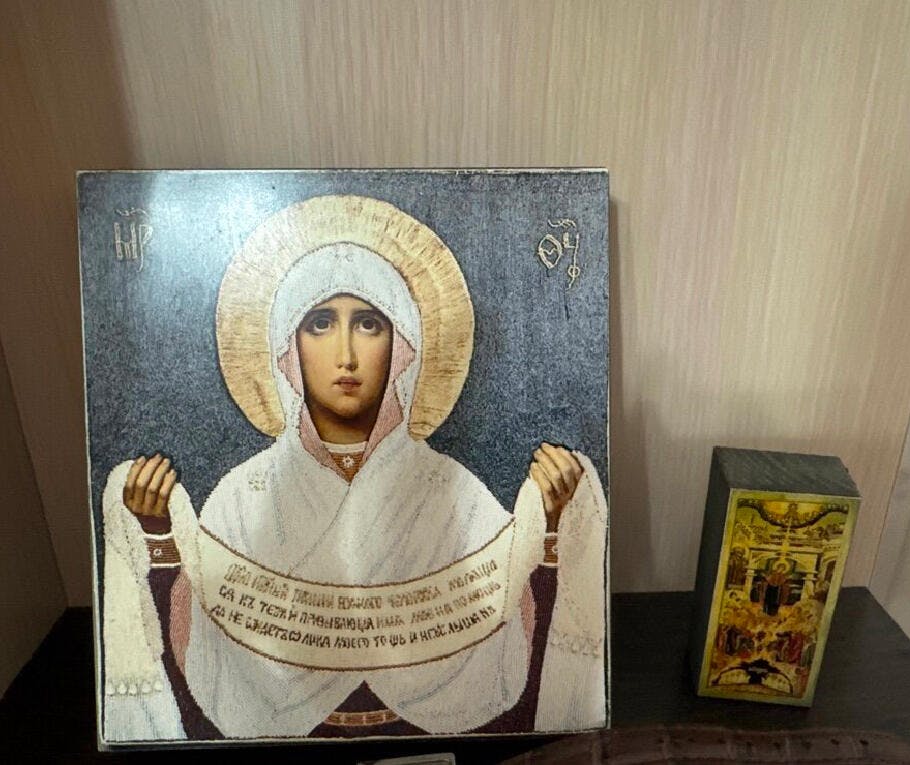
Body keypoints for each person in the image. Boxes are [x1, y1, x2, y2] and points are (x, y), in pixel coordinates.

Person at [99, 196, 608, 742]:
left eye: (368, 323)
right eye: (320, 323)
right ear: (287, 349)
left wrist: (550, 524)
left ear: (403, 346)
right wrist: (158, 533)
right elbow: (205, 647)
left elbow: (510, 632)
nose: (346, 354)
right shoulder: (243, 496)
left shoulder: (451, 490)